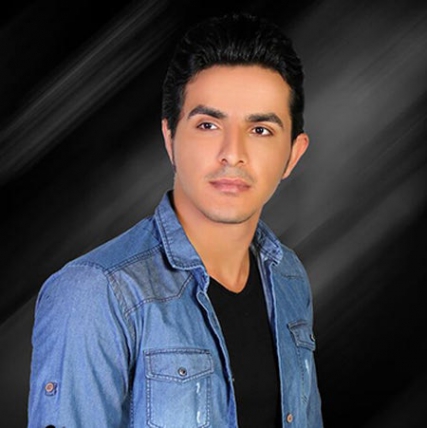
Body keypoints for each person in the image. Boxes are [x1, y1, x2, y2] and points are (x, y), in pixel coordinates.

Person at [28, 13, 323, 428]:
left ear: (293, 154)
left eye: (260, 130)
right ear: (170, 138)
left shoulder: (288, 276)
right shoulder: (95, 294)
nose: (232, 153)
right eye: (208, 124)